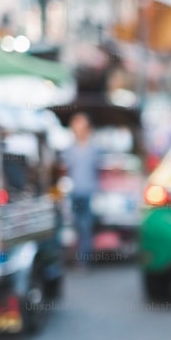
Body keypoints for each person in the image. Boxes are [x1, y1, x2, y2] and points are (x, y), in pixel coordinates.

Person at [59, 112, 101, 268]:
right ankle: (74, 258)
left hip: (89, 193)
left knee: (86, 228)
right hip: (74, 193)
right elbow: (63, 169)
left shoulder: (94, 149)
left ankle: (84, 262)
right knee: (75, 227)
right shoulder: (70, 150)